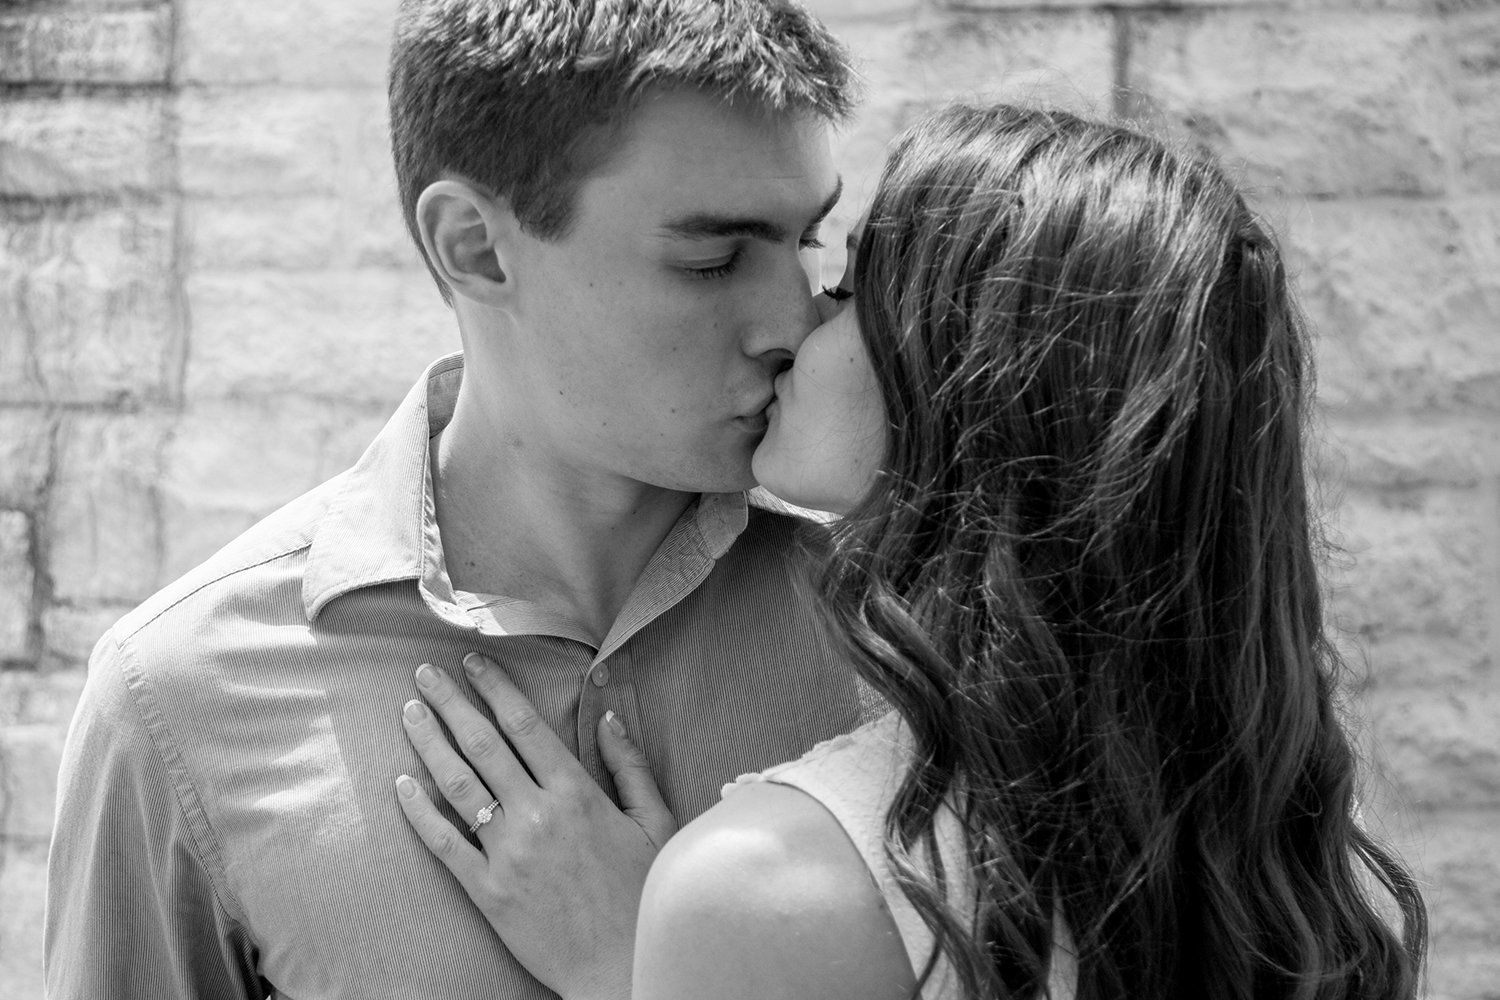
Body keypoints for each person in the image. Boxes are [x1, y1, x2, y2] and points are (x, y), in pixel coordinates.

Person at [397, 104, 1429, 999]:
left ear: (970, 384)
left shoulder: (768, 885)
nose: (795, 322)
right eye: (717, 259)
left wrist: (642, 969)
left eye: (850, 289)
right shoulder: (1279, 855)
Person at [44, 2, 870, 997]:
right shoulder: (180, 700)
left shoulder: (894, 642)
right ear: (474, 246)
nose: (794, 319)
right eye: (714, 258)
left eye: (809, 240)